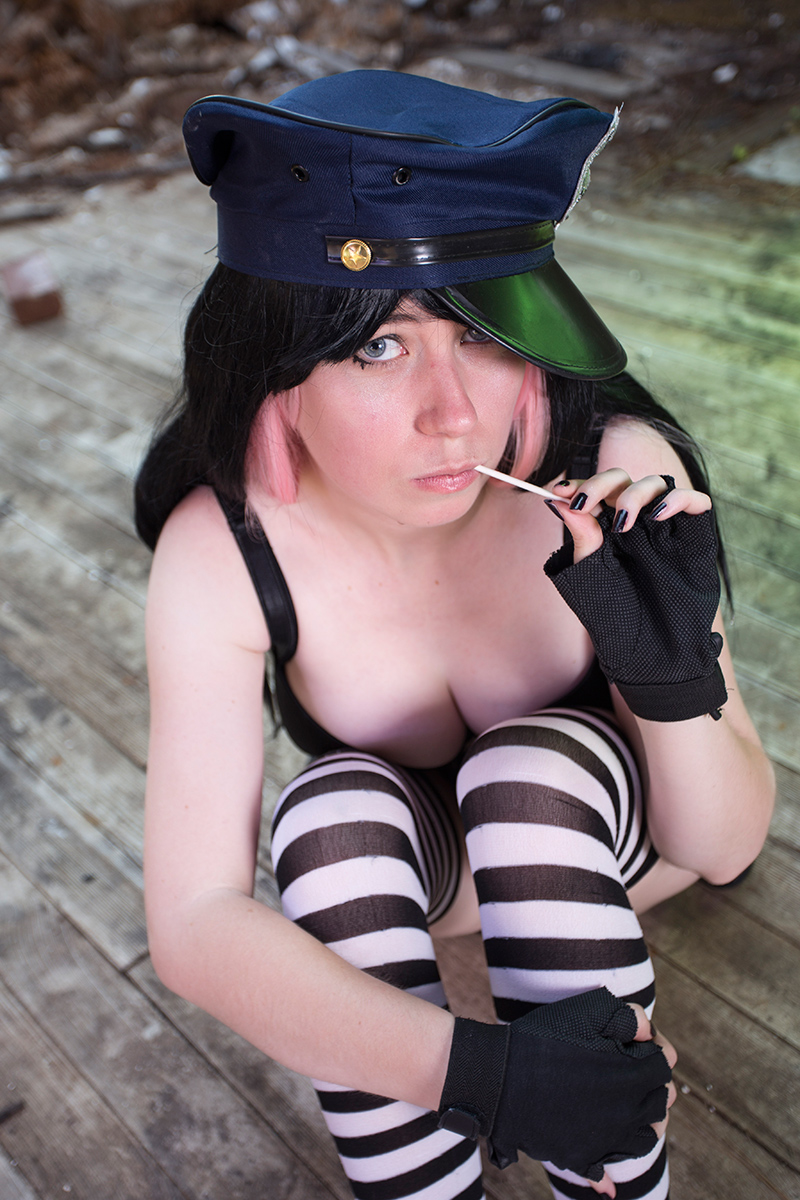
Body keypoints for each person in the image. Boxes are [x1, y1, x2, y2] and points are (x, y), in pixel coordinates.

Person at [136, 70, 775, 1200]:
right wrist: (481, 1073)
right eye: (379, 348)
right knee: (327, 816)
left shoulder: (614, 479)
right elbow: (192, 919)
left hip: (619, 857)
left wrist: (671, 677)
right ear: (272, 373)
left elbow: (722, 845)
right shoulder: (223, 545)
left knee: (532, 772)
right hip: (437, 892)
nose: (456, 413)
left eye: (483, 333)